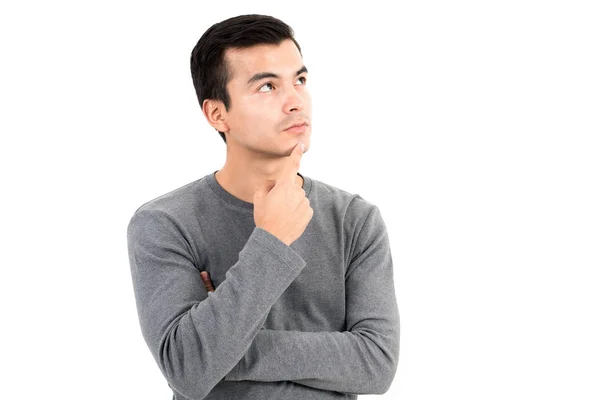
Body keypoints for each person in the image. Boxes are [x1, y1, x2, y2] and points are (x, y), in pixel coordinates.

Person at [127, 14, 400, 400]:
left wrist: (225, 346)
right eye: (268, 86)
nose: (294, 102)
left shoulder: (356, 220)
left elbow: (376, 365)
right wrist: (270, 240)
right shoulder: (165, 223)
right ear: (217, 114)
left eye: (300, 81)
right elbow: (189, 368)